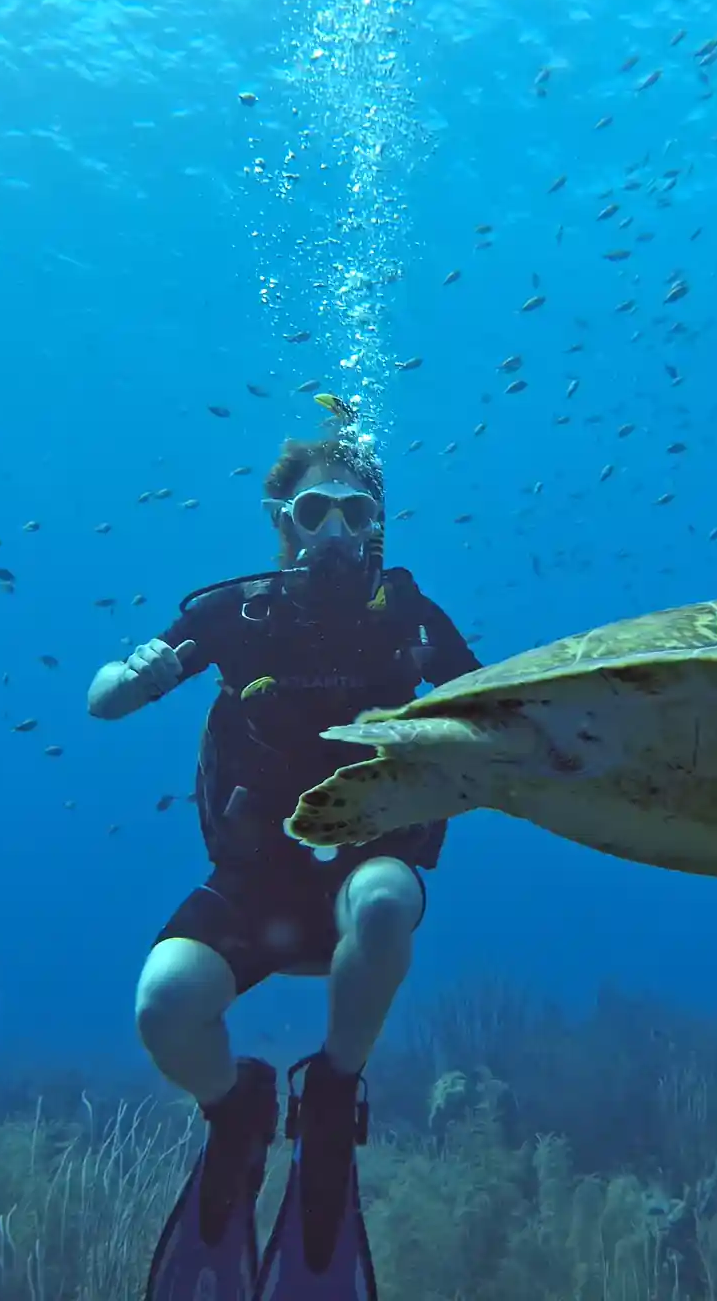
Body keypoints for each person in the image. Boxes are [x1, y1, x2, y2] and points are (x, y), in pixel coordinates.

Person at [87, 419, 480, 1301]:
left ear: (377, 522)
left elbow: (490, 706)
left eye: (356, 510)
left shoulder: (408, 614)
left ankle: (333, 1096)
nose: (336, 531)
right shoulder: (238, 614)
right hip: (256, 873)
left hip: (365, 859)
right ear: (283, 520)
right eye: (315, 509)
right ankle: (238, 1112)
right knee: (165, 1005)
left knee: (383, 905)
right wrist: (135, 673)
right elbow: (103, 701)